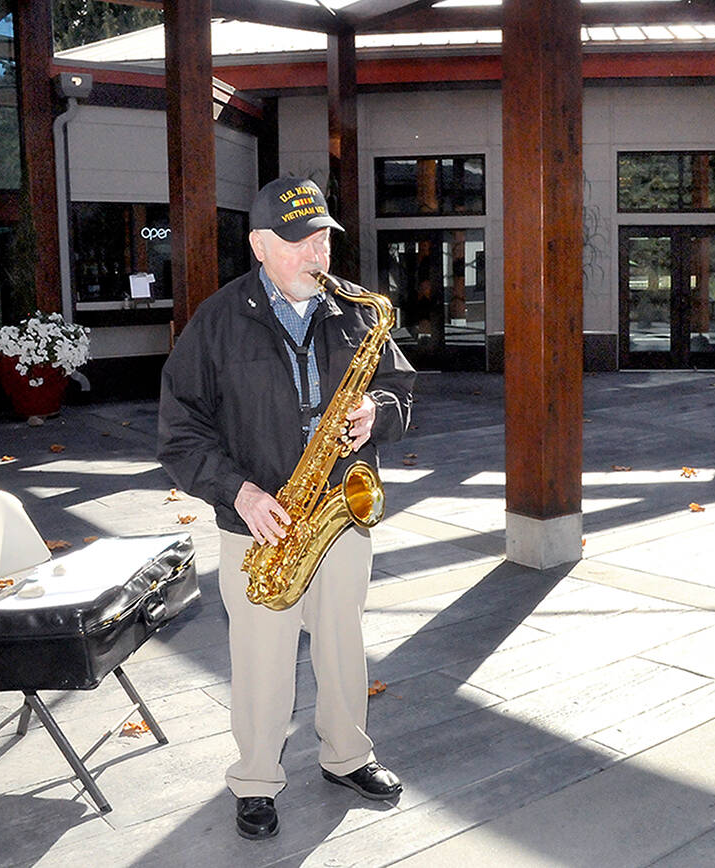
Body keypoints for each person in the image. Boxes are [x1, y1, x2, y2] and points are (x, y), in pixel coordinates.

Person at [157, 177, 415, 841]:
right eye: (301, 240)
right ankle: (256, 780)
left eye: (325, 237)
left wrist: (375, 412)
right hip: (259, 522)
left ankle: (348, 755)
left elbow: (400, 390)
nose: (318, 253)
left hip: (340, 512)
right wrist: (238, 492)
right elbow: (180, 433)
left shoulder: (356, 313)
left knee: (342, 645)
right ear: (261, 245)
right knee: (262, 662)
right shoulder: (215, 323)